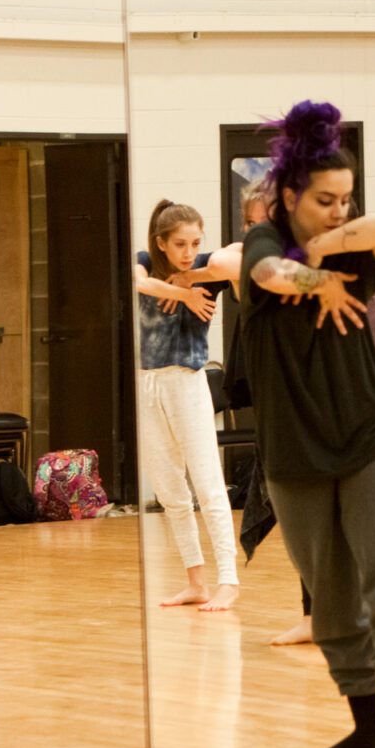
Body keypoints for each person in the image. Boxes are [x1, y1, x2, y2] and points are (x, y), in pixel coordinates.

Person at [240, 100, 375, 748]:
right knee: (331, 596)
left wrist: (324, 247)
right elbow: (265, 274)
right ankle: (364, 725)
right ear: (289, 196)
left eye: (345, 200)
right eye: (323, 201)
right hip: (295, 453)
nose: (339, 211)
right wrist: (314, 278)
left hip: (373, 439)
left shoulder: (355, 253)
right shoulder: (262, 242)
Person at [135, 199, 243, 611]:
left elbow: (238, 256)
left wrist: (190, 275)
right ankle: (195, 580)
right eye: (179, 244)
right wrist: (178, 292)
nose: (188, 250)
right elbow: (136, 282)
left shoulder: (206, 271)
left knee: (207, 482)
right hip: (147, 384)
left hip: (187, 381)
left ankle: (228, 580)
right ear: (161, 242)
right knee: (170, 490)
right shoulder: (144, 260)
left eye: (195, 242)